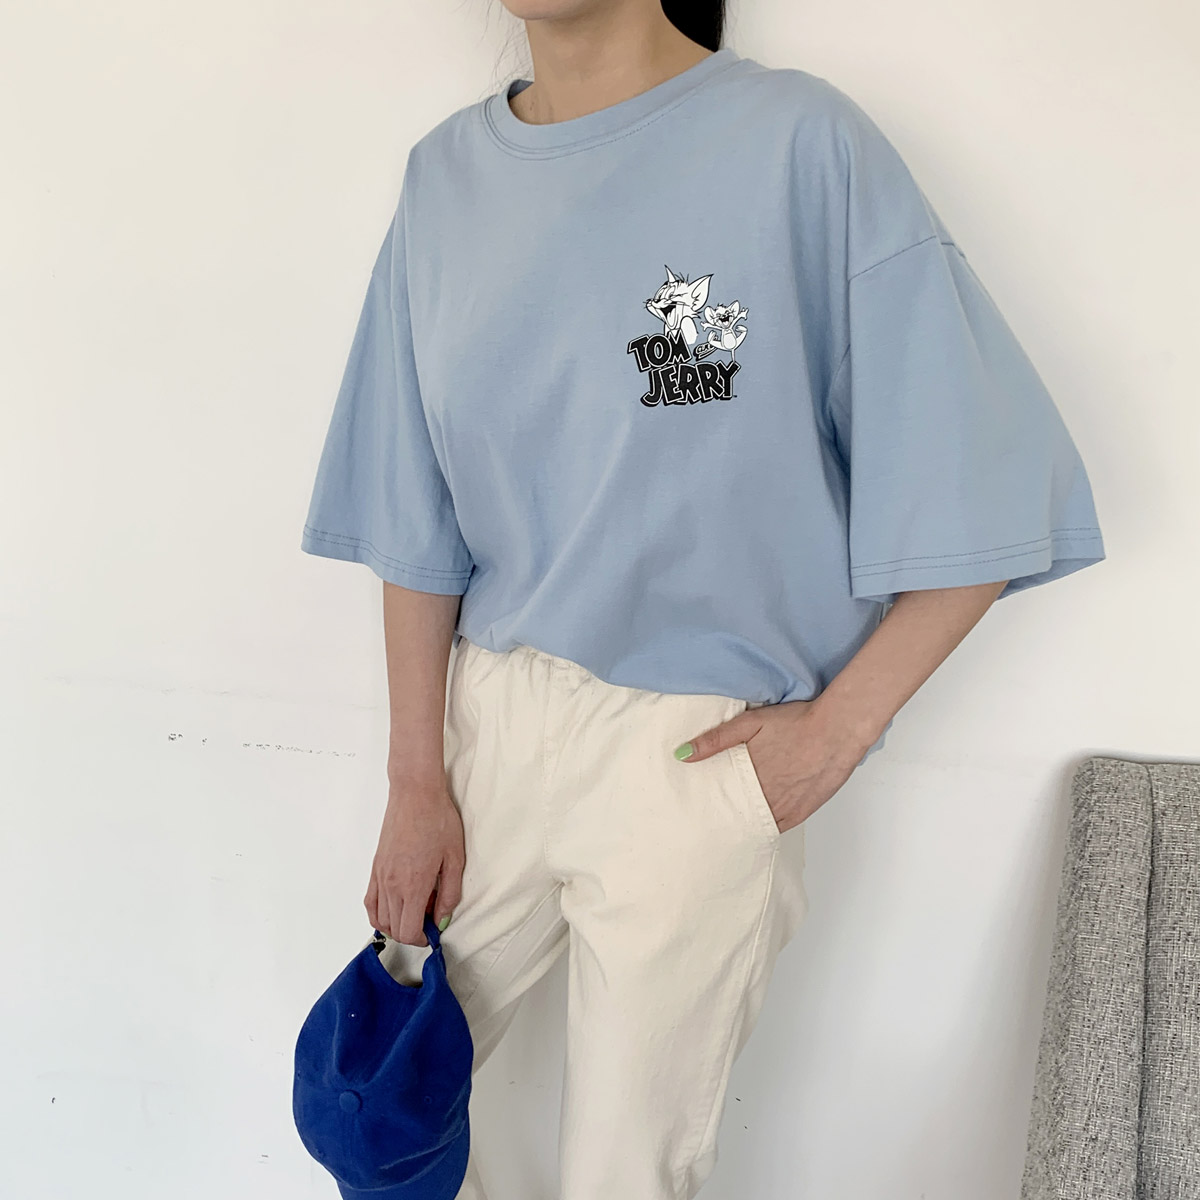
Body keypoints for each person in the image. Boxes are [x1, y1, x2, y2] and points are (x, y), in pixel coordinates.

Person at [299, 2, 1107, 1196]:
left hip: (695, 754)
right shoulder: (446, 180)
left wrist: (836, 733)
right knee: (384, 1122)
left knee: (629, 1172)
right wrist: (416, 779)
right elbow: (411, 516)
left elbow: (983, 475)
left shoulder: (799, 146)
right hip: (487, 731)